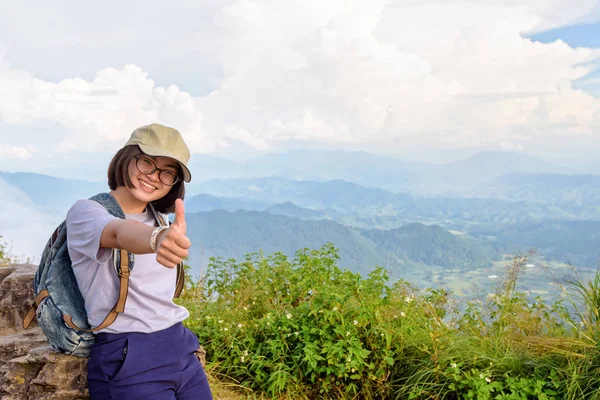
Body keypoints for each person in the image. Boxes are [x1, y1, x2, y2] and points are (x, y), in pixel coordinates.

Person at [65, 123, 213, 399]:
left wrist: (162, 231)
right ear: (126, 157)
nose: (154, 177)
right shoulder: (86, 213)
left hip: (179, 346)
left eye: (168, 172)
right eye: (147, 162)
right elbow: (119, 232)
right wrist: (158, 238)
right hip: (128, 357)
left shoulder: (160, 218)